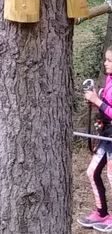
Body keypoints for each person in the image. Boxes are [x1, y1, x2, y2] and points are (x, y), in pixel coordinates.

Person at [81, 49, 112, 230]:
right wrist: (96, 101)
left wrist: (97, 101)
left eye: (109, 61)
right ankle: (101, 213)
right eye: (106, 60)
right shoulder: (109, 80)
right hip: (107, 136)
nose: (105, 63)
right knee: (92, 172)